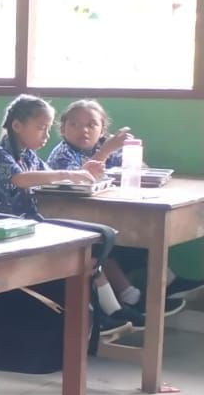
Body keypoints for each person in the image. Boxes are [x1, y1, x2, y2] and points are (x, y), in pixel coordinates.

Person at [0, 95, 139, 335]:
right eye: (41, 128)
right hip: (8, 230)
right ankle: (98, 317)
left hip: (31, 226)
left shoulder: (30, 155)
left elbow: (54, 178)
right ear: (17, 126)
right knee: (79, 255)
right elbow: (20, 179)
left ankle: (111, 312)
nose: (46, 135)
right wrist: (67, 174)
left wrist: (81, 173)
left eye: (47, 129)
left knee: (95, 243)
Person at [47, 101, 201, 308]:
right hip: (75, 222)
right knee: (103, 245)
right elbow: (81, 178)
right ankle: (131, 298)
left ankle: (167, 284)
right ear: (63, 129)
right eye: (74, 124)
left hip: (109, 214)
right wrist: (106, 151)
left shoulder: (107, 146)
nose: (83, 130)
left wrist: (130, 155)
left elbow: (138, 170)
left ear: (102, 129)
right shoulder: (63, 153)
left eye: (91, 125)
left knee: (145, 238)